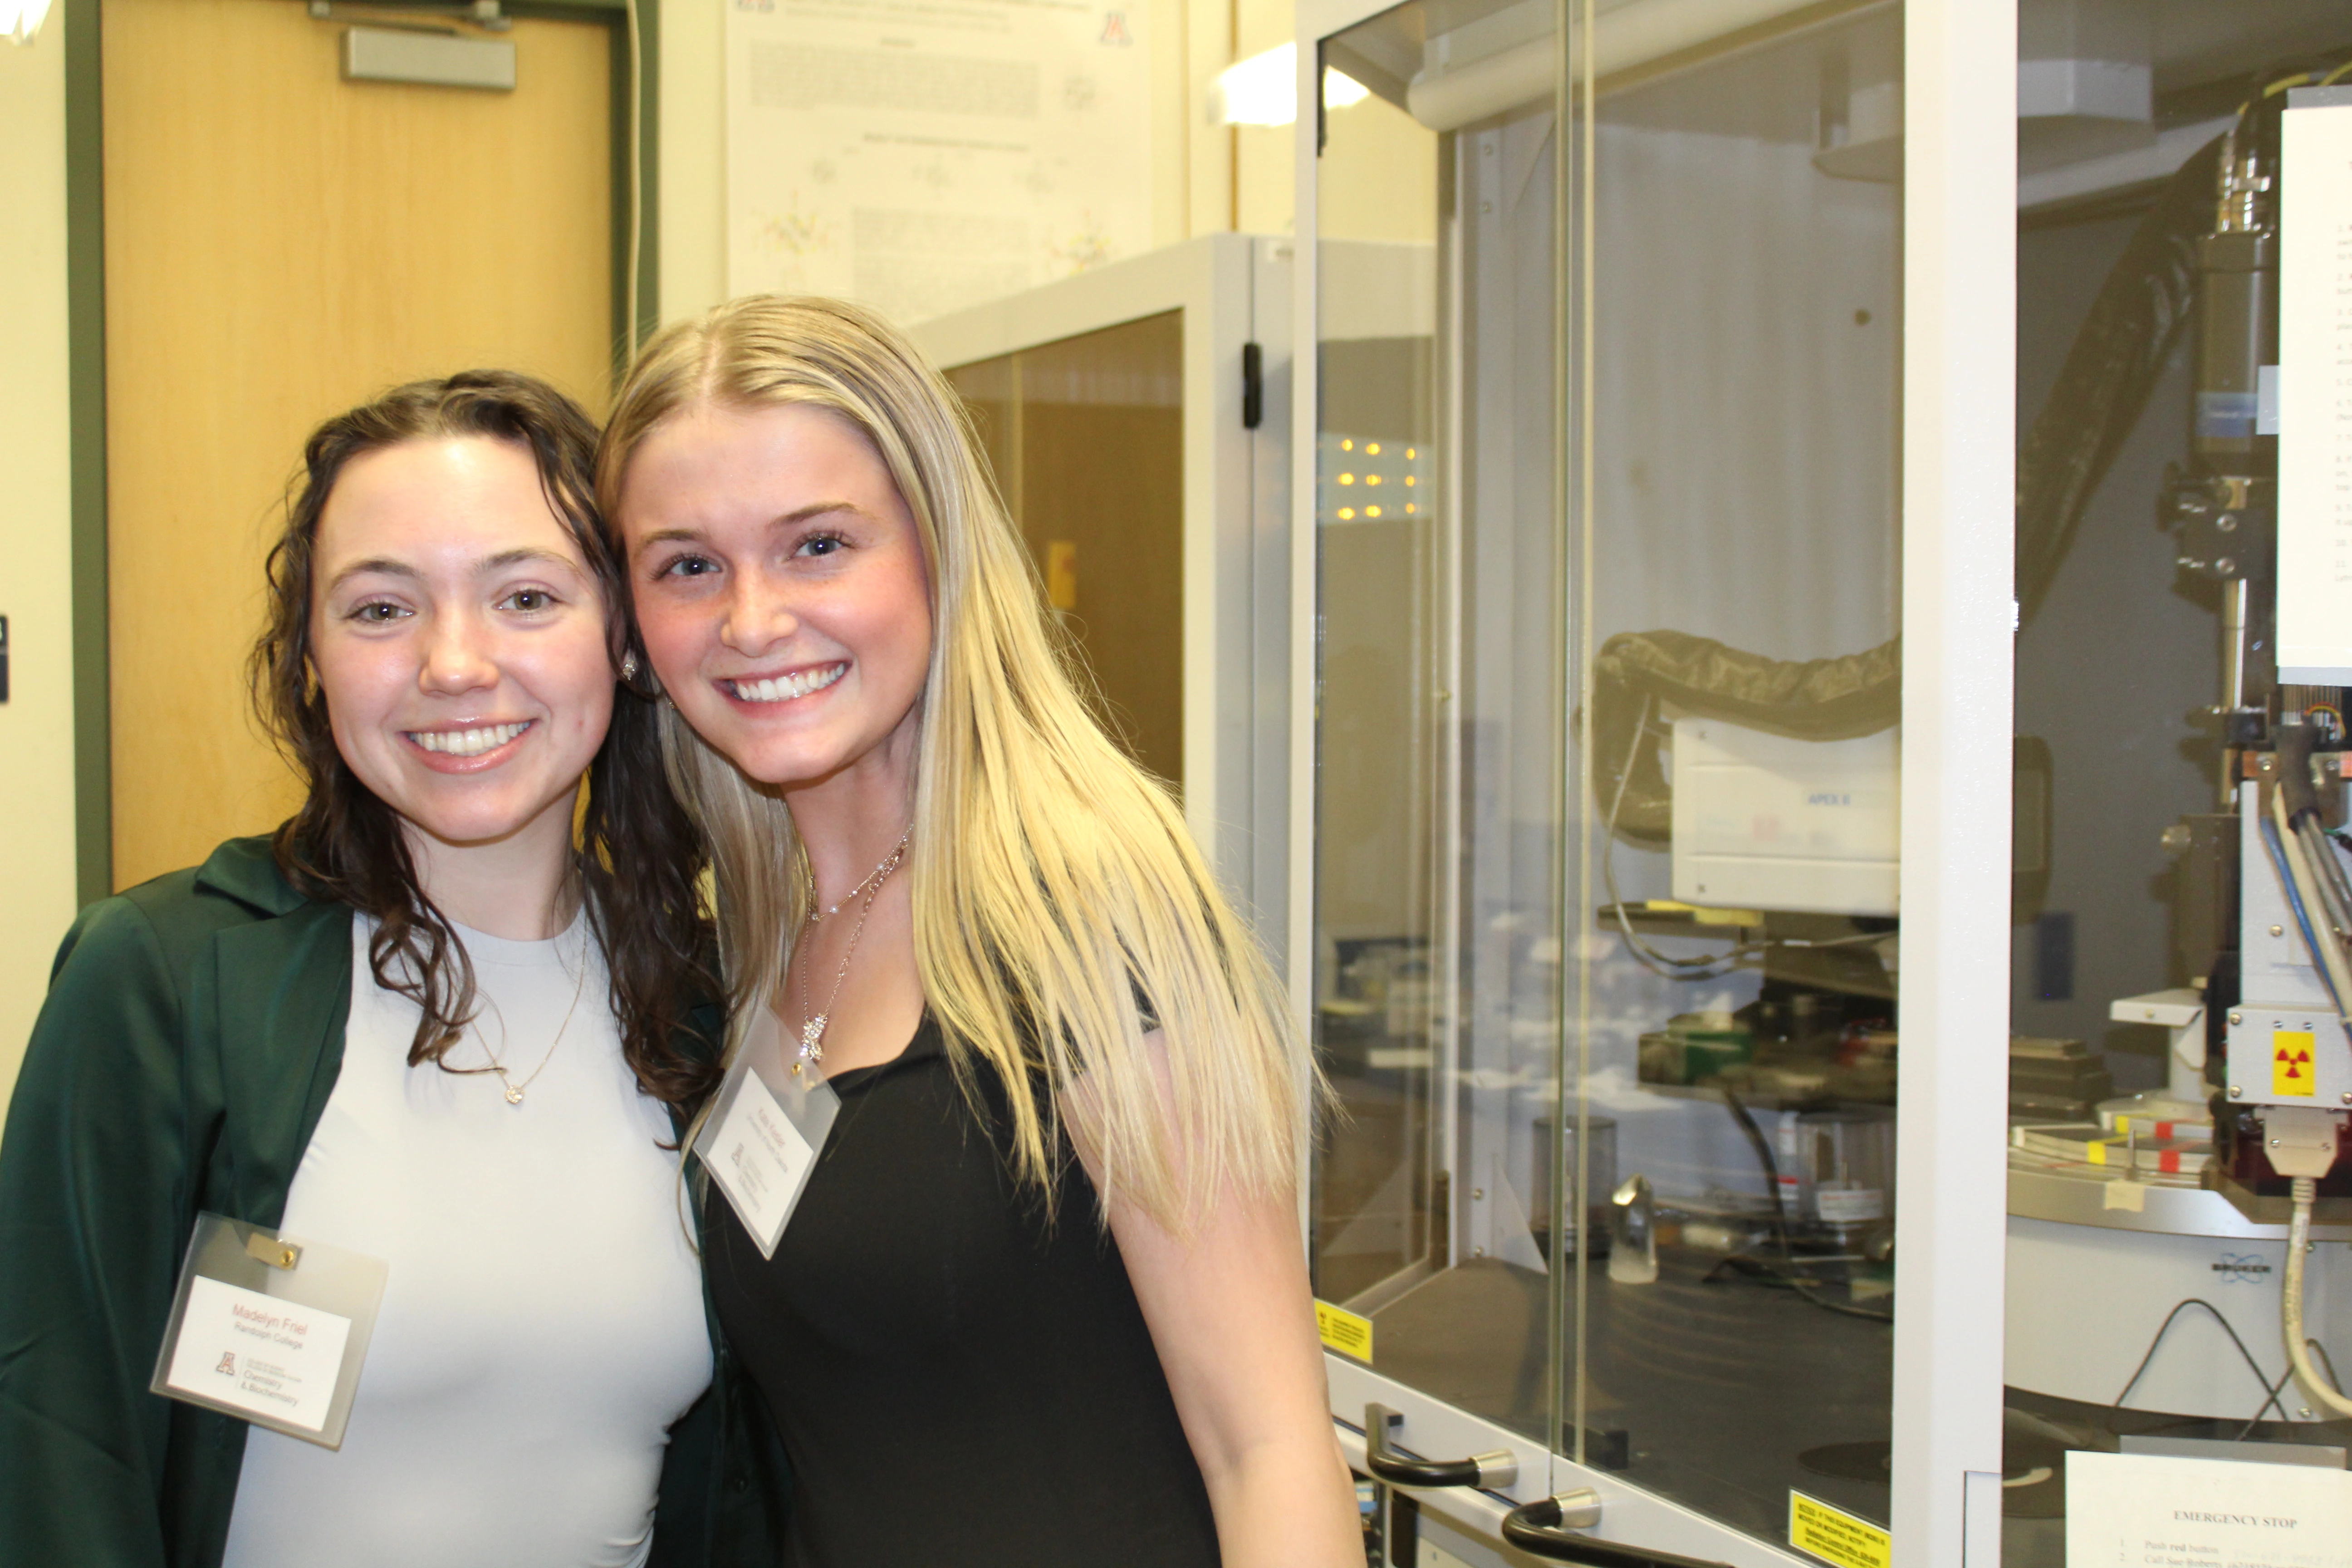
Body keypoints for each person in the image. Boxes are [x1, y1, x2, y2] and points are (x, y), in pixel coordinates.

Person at [599, 296, 1361, 1568]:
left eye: (818, 545)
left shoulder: (1084, 912)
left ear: (940, 554)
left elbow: (1270, 1449)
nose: (752, 620)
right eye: (688, 566)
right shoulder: (755, 937)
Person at [0, 372, 784, 1568]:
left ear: (623, 640)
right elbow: (52, 1450)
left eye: (526, 597)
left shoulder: (712, 1008)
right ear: (310, 655)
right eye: (380, 609)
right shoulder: (162, 984)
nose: (454, 664)